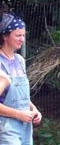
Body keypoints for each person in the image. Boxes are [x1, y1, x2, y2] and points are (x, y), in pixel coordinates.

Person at [0, 12, 42, 145]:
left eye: (23, 35)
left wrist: (34, 109)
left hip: (25, 126)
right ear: (5, 36)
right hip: (6, 127)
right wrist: (18, 114)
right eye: (18, 35)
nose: (22, 39)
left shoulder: (19, 60)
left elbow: (22, 96)